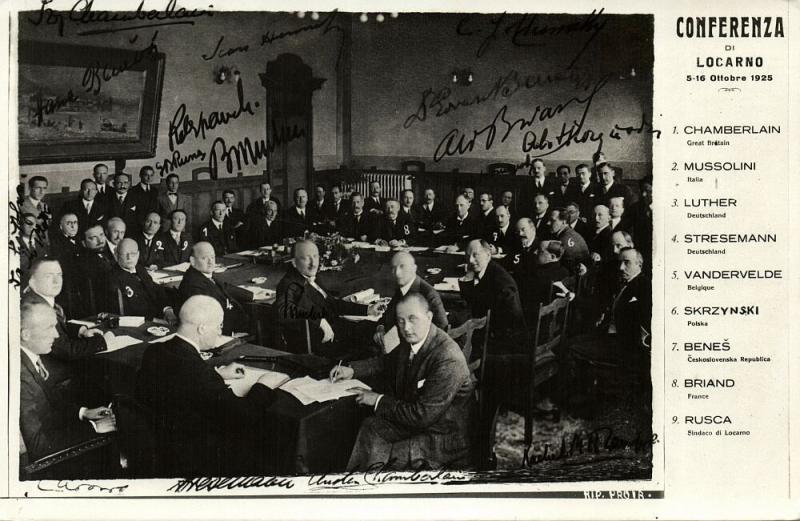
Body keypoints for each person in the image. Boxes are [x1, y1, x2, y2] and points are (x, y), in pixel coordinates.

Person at [136, 296, 279, 477]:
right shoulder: (198, 372)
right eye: (219, 325)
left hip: (161, 443)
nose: (220, 331)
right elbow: (243, 415)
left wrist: (216, 374)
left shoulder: (155, 351)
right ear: (202, 328)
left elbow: (181, 380)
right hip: (197, 458)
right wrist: (264, 385)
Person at [333, 293, 474, 471]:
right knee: (370, 427)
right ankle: (360, 483)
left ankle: (367, 486)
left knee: (378, 447)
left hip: (441, 440)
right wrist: (352, 370)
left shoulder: (447, 358)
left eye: (412, 319)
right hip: (422, 424)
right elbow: (387, 361)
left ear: (429, 317)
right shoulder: (416, 337)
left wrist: (377, 400)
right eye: (401, 321)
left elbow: (421, 416)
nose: (406, 327)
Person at [19, 303, 114, 463]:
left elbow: (51, 403)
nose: (56, 335)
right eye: (49, 328)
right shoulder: (20, 376)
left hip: (54, 431)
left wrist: (83, 413)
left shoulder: (30, 356)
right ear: (26, 334)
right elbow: (37, 446)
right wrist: (94, 428)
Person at [275, 240, 381, 359]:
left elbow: (332, 304)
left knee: (376, 327)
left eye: (315, 256)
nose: (313, 263)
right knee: (373, 342)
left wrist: (368, 309)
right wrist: (319, 321)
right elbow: (283, 310)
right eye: (306, 258)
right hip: (323, 342)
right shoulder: (288, 283)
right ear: (294, 262)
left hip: (336, 329)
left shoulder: (311, 277)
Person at [21, 258, 113, 360]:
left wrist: (81, 331)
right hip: (53, 370)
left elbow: (58, 327)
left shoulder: (41, 299)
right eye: (48, 276)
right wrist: (102, 342)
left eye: (59, 275)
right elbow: (66, 350)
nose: (56, 281)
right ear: (33, 282)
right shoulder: (36, 308)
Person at [458, 239, 526, 353]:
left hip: (505, 345)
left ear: (488, 255)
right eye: (468, 255)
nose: (470, 260)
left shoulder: (501, 283)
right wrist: (468, 276)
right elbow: (472, 301)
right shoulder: (489, 269)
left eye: (475, 255)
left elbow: (510, 323)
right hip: (491, 331)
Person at [373, 252, 448, 350]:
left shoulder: (428, 294)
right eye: (393, 268)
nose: (397, 273)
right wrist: (381, 327)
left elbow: (442, 328)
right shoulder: (402, 288)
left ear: (414, 268)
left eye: (402, 267)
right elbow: (388, 314)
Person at [177, 242, 248, 335]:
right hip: (224, 333)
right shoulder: (193, 285)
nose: (210, 262)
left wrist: (254, 295)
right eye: (204, 258)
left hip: (234, 325)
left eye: (212, 257)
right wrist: (231, 334)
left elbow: (224, 287)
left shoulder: (202, 275)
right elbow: (205, 320)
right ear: (193, 261)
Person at [107, 239, 178, 323]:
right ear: (116, 255)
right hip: (139, 324)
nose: (129, 257)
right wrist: (154, 320)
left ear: (138, 254)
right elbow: (126, 311)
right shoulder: (112, 278)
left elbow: (157, 290)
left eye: (133, 253)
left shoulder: (140, 269)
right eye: (124, 254)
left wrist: (168, 310)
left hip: (159, 318)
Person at [76, 224, 117, 314]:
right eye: (93, 238)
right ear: (83, 243)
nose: (100, 240)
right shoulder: (85, 262)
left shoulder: (107, 254)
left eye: (101, 235)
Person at [548, 208, 590, 272]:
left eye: (552, 220)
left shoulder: (564, 240)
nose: (548, 223)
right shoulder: (570, 234)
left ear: (564, 222)